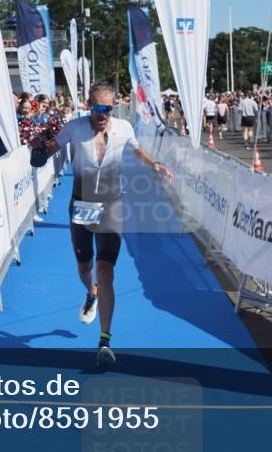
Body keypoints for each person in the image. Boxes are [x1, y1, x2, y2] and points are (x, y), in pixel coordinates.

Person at [31, 84, 174, 368]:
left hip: (111, 207)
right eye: (97, 108)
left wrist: (155, 164)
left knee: (106, 271)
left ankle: (104, 341)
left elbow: (137, 150)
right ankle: (91, 293)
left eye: (107, 109)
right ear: (88, 105)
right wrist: (38, 146)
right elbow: (46, 153)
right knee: (84, 267)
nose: (102, 114)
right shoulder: (73, 128)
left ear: (113, 107)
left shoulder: (123, 128)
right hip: (81, 206)